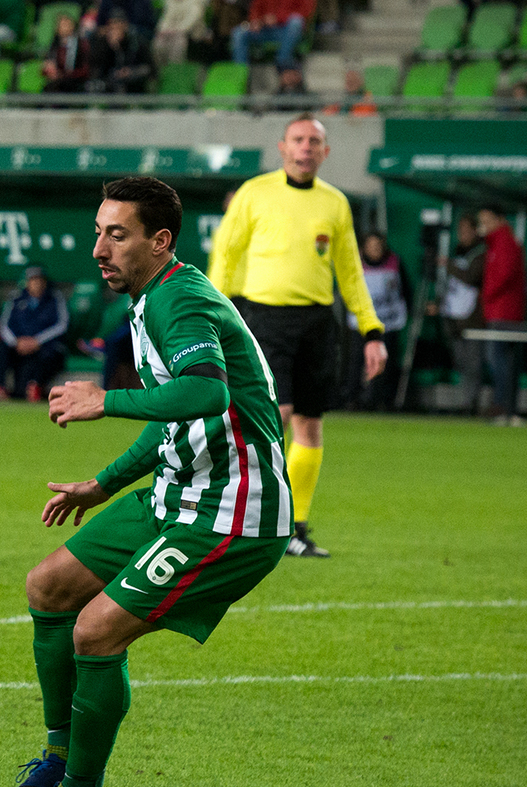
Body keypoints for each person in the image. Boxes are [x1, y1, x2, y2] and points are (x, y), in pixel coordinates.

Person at [0, 176, 290, 787]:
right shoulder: (151, 297)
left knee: (96, 632)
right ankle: (60, 756)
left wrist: (106, 400)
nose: (99, 248)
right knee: (49, 587)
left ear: (160, 241)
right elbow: (174, 415)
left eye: (116, 235)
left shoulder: (180, 301)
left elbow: (205, 394)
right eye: (98, 232)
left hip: (231, 512)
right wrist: (104, 483)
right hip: (176, 494)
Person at [208, 114, 387, 559]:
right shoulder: (254, 193)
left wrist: (372, 330)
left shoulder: (335, 203)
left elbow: (350, 272)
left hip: (317, 323)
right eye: (298, 139)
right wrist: (212, 315)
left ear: (325, 152)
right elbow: (225, 256)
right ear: (283, 147)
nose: (306, 147)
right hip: (263, 319)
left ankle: (294, 528)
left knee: (310, 422)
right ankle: (247, 517)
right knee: (277, 414)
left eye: (314, 141)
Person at [429, 213, 486, 414]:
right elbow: (449, 285)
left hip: (472, 318)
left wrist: (448, 265)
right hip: (452, 316)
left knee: (473, 363)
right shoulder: (455, 252)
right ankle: (465, 400)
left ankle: (470, 403)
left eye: (466, 230)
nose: (462, 235)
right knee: (460, 362)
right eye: (460, 231)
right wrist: (438, 303)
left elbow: (471, 277)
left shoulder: (481, 254)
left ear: (475, 231)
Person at [476, 206, 527, 426]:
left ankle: (503, 406)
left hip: (504, 313)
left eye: (487, 220)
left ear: (500, 219)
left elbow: (504, 275)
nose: (483, 226)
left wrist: (485, 295)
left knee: (500, 361)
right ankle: (505, 407)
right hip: (501, 312)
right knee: (503, 360)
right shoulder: (497, 243)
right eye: (481, 221)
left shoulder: (504, 242)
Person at [347, 232, 407, 411]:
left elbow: (405, 290)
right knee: (357, 361)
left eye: (378, 246)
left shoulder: (394, 262)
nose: (375, 250)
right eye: (371, 246)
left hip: (387, 323)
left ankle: (381, 400)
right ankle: (352, 399)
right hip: (361, 324)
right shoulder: (355, 263)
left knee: (385, 363)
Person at [0, 266, 70, 402]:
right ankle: (0, 387)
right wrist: (16, 342)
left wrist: (37, 341)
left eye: (39, 280)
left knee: (48, 357)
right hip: (19, 346)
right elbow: (4, 325)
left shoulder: (55, 298)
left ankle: (35, 387)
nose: (36, 283)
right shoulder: (16, 298)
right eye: (33, 280)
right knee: (0, 349)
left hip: (44, 346)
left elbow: (62, 325)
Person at [229, 0, 314, 70]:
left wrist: (277, 18)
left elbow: (305, 12)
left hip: (286, 31)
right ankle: (240, 71)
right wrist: (256, 21)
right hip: (265, 30)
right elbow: (255, 9)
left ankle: (283, 62)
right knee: (238, 32)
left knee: (296, 22)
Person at [88, 14, 154, 94]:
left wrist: (130, 71)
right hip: (110, 81)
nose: (115, 30)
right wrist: (112, 47)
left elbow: (149, 67)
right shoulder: (103, 42)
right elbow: (98, 65)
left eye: (118, 26)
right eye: (112, 26)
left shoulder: (137, 42)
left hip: (133, 82)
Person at [40, 13, 91, 94]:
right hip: (57, 82)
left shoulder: (81, 45)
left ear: (73, 26)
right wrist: (48, 70)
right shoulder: (54, 46)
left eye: (66, 24)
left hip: (75, 82)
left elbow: (86, 70)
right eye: (60, 25)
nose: (63, 27)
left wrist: (64, 75)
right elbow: (45, 69)